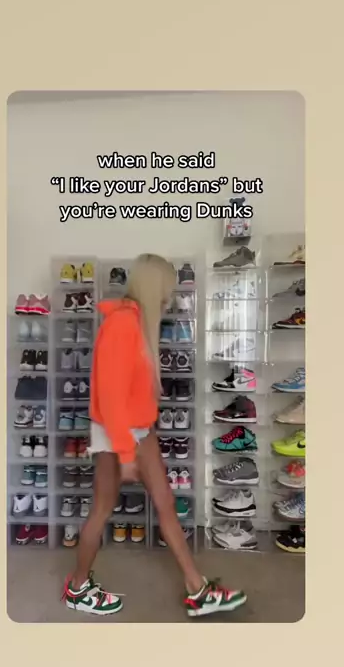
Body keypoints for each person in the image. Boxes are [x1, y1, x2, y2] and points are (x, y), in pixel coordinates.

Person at [62, 254, 247, 617]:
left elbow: (130, 391)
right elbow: (110, 399)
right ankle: (77, 587)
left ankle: (197, 588)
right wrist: (125, 453)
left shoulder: (137, 323)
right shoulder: (121, 325)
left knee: (166, 505)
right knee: (101, 511)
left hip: (138, 429)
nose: (169, 298)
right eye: (167, 290)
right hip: (117, 432)